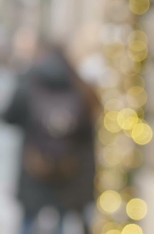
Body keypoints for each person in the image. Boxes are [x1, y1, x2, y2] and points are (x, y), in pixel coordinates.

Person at [3, 43, 99, 234]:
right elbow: (90, 130)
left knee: (28, 221)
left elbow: (8, 115)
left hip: (34, 167)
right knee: (61, 222)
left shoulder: (29, 83)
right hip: (68, 170)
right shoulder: (78, 86)